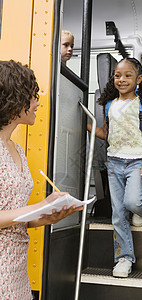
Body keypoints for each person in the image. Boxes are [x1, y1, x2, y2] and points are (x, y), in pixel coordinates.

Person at [0, 60, 83, 300]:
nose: (38, 102)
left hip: (16, 270)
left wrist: (46, 217)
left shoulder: (17, 150)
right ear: (15, 100)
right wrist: (39, 206)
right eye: (32, 96)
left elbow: (13, 218)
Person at [88, 57, 142, 278]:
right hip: (114, 163)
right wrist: (88, 126)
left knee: (132, 202)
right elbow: (108, 135)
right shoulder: (109, 105)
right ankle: (123, 258)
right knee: (118, 214)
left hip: (137, 161)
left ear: (138, 79)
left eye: (128, 75)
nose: (122, 79)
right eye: (118, 75)